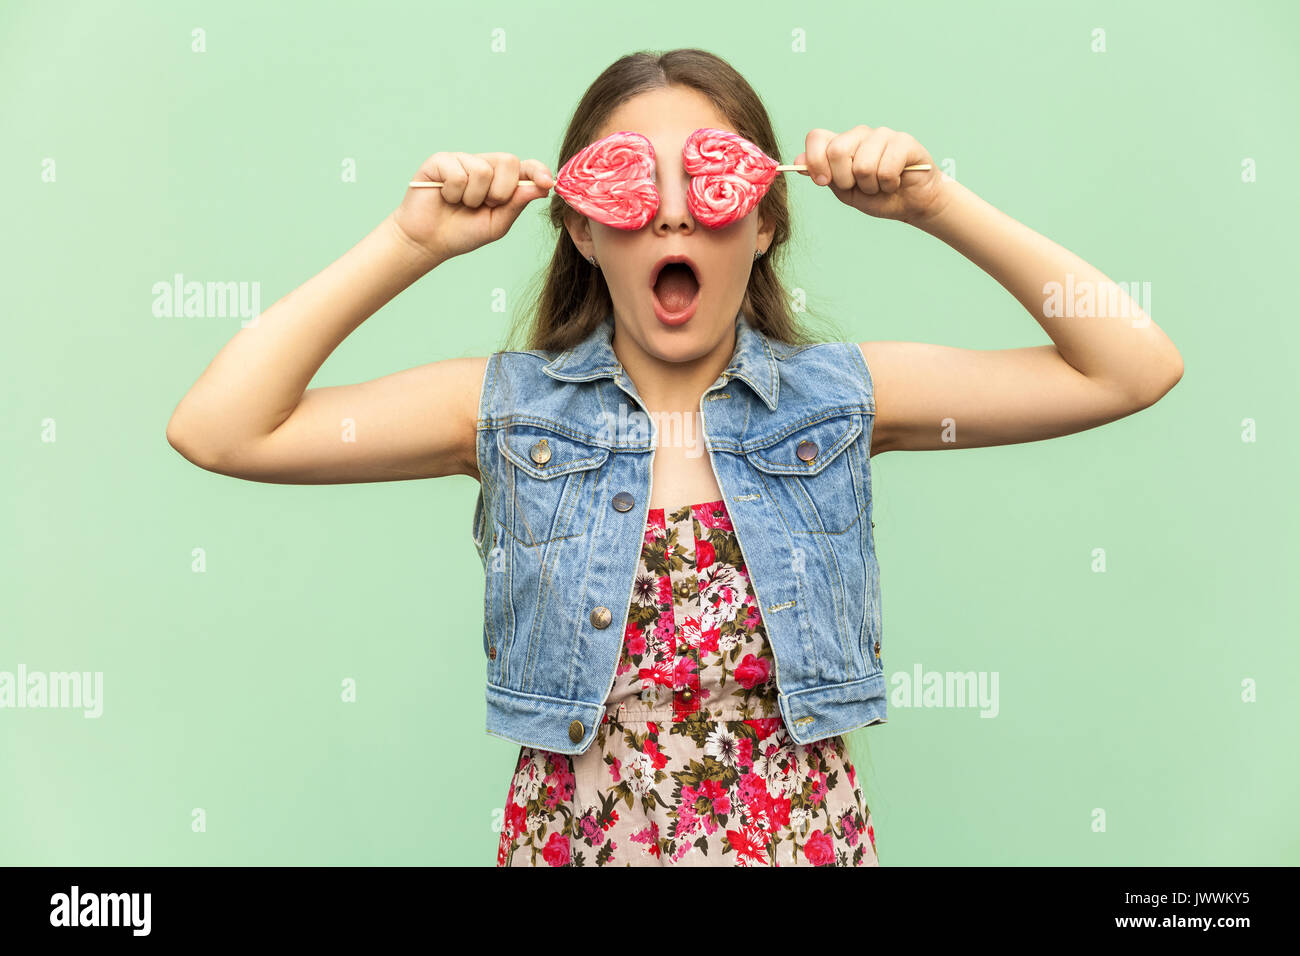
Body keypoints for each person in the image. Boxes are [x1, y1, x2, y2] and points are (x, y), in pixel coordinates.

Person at [165, 49, 1183, 867]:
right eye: (627, 183)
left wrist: (935, 203)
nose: (670, 209)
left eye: (709, 176)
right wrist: (410, 240)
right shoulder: (505, 410)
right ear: (578, 223)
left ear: (766, 216)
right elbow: (221, 425)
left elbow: (1129, 365)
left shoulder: (839, 398)